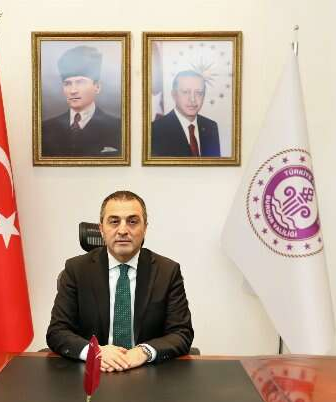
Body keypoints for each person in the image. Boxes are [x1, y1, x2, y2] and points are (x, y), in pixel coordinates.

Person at [47, 191, 194, 372]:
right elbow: (57, 331)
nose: (123, 230)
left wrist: (144, 352)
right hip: (91, 373)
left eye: (132, 221)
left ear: (145, 228)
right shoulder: (76, 270)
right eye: (114, 221)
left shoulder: (167, 271)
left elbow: (181, 333)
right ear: (101, 229)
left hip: (146, 372)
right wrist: (94, 351)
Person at [41, 45, 121, 157]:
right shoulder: (45, 128)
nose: (73, 90)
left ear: (97, 87)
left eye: (80, 82)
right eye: (67, 83)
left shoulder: (118, 127)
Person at [151, 70, 221, 157]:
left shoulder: (211, 127)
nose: (192, 99)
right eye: (185, 92)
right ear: (174, 95)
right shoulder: (155, 130)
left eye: (199, 93)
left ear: (204, 96)